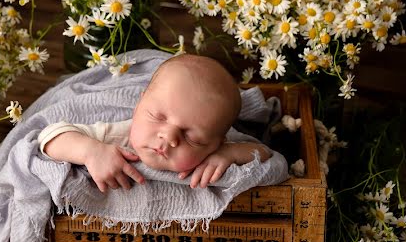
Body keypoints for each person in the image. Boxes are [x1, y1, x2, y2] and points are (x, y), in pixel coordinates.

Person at [39, 54, 272, 193]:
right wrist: (91, 152)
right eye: (158, 117)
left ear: (215, 143)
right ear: (140, 105)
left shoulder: (215, 152)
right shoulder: (117, 137)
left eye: (192, 138)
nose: (169, 138)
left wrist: (229, 154)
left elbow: (264, 153)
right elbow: (49, 137)